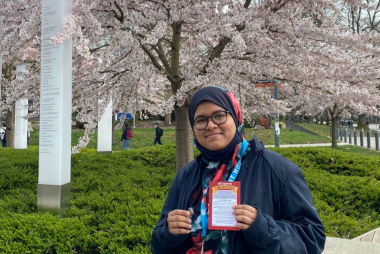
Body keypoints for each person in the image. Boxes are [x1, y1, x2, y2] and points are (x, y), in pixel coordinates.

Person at [151, 86, 325, 254]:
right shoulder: (186, 175)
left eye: (219, 116)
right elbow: (158, 246)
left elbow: (312, 239)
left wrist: (262, 228)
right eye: (201, 120)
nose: (210, 125)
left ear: (236, 117)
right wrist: (168, 232)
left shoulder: (279, 170)